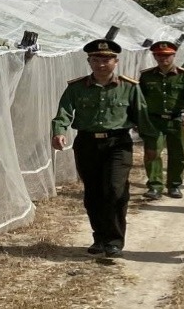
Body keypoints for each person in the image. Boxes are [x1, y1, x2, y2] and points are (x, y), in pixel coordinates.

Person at [51, 39, 154, 258]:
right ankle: (100, 238)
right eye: (96, 60)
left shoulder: (129, 87)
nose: (101, 64)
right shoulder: (76, 88)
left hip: (118, 143)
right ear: (89, 61)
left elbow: (142, 116)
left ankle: (114, 241)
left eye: (106, 60)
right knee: (93, 193)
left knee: (115, 190)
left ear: (116, 62)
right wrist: (58, 131)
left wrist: (151, 144)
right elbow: (64, 113)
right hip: (87, 143)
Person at [138, 40, 184, 200]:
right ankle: (154, 186)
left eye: (167, 55)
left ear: (174, 56)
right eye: (159, 55)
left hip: (177, 120)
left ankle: (174, 185)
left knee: (178, 155)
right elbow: (140, 99)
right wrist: (140, 120)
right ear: (154, 56)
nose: (163, 58)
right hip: (154, 121)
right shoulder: (146, 76)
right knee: (152, 153)